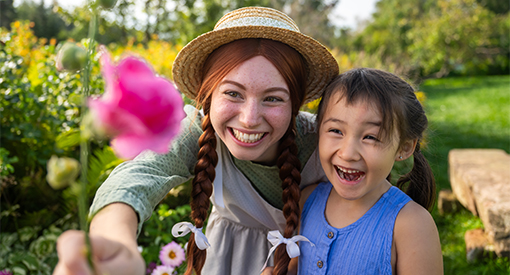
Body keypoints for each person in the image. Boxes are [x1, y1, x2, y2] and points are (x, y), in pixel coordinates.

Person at [53, 6, 339, 275]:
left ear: (296, 104)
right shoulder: (199, 129)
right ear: (208, 95)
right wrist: (115, 242)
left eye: (273, 98)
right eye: (233, 93)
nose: (250, 119)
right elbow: (137, 176)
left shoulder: (327, 140)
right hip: (224, 258)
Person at [289, 68, 443, 274]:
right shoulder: (307, 199)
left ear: (404, 147)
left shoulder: (411, 225)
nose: (348, 153)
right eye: (336, 131)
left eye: (370, 137)